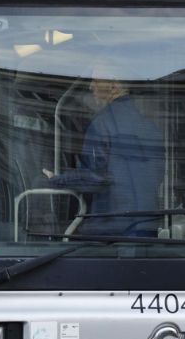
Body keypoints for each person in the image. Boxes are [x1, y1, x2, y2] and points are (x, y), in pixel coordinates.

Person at [47, 72, 163, 236]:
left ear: (114, 86)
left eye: (95, 80)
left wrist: (57, 180)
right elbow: (157, 177)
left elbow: (96, 177)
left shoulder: (102, 124)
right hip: (148, 226)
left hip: (111, 229)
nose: (90, 86)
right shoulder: (151, 129)